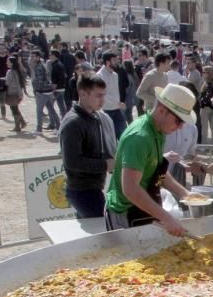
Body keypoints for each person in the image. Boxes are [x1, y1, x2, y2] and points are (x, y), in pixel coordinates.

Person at [104, 83, 196, 235]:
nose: (180, 127)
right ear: (161, 110)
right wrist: (166, 218)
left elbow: (157, 169)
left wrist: (185, 194)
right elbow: (131, 190)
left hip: (142, 208)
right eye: (178, 121)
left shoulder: (158, 131)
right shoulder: (140, 137)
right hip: (125, 213)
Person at [59, 74, 117, 219]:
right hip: (82, 191)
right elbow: (72, 162)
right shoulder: (73, 123)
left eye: (104, 95)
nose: (103, 100)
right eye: (98, 95)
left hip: (91, 189)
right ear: (83, 94)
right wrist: (105, 164)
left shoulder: (94, 117)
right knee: (103, 233)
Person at [96, 51, 127, 139]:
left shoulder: (115, 75)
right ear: (107, 62)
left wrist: (119, 103)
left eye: (117, 60)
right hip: (106, 111)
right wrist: (118, 103)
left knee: (123, 136)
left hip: (117, 110)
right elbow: (102, 95)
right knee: (109, 139)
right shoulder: (99, 76)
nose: (117, 62)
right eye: (114, 60)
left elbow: (115, 92)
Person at [30, 51, 60, 134]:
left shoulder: (39, 67)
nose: (32, 58)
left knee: (39, 111)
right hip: (48, 90)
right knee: (51, 109)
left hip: (42, 91)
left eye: (33, 56)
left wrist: (37, 90)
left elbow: (40, 81)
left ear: (38, 57)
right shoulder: (42, 64)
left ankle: (39, 129)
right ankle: (58, 126)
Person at [4, 55, 27, 133]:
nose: (7, 63)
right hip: (18, 92)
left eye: (8, 61)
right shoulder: (17, 71)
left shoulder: (10, 72)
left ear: (12, 63)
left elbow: (7, 83)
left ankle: (17, 126)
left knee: (14, 109)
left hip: (12, 93)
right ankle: (22, 122)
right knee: (15, 108)